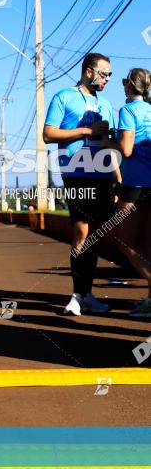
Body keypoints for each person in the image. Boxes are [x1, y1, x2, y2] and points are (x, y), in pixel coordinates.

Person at [43, 52, 116, 316]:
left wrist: (118, 178)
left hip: (103, 175)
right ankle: (76, 294)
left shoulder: (107, 104)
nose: (108, 78)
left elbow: (110, 143)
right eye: (104, 73)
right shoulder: (64, 96)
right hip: (76, 172)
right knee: (82, 232)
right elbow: (48, 134)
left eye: (110, 74)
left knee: (95, 235)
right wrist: (85, 131)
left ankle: (87, 293)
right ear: (88, 72)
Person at [106, 68, 151, 318]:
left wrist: (105, 142)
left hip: (135, 183)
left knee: (123, 239)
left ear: (131, 86)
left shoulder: (128, 110)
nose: (122, 86)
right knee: (146, 241)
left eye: (124, 82)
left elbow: (126, 148)